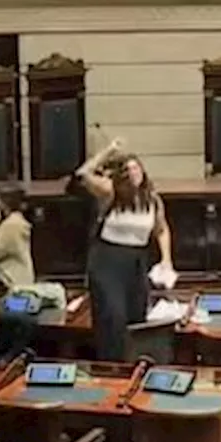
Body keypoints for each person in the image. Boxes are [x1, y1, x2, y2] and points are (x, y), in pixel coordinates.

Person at [76, 139, 174, 363]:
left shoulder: (152, 199)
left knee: (136, 315)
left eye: (137, 167)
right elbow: (83, 174)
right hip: (108, 261)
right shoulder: (111, 192)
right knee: (113, 315)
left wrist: (166, 260)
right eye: (128, 169)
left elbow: (161, 230)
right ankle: (112, 364)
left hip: (136, 261)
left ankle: (134, 363)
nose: (134, 173)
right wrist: (108, 151)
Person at [0, 183, 35, 288]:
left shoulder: (12, 224)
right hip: (15, 281)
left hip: (16, 283)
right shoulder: (13, 222)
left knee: (16, 304)